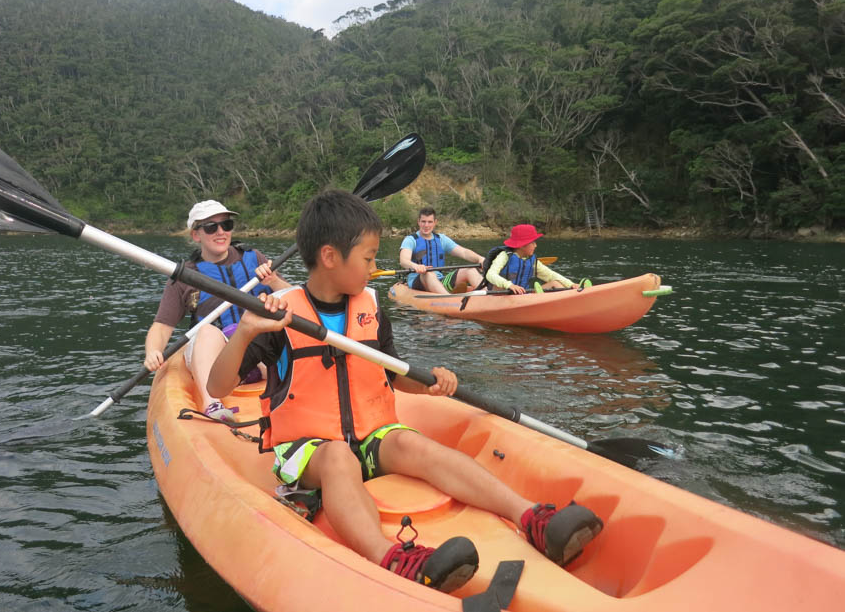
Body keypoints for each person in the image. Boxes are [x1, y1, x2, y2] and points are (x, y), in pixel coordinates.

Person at [207, 190, 603, 593]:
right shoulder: (279, 314)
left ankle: (530, 518)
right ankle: (390, 557)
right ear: (330, 257)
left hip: (369, 435)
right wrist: (246, 332)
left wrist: (430, 383)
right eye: (367, 257)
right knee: (339, 456)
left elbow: (392, 374)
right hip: (310, 451)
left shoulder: (370, 307)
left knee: (415, 446)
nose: (374, 267)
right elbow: (218, 387)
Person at [144, 199, 289, 420]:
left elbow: (295, 299)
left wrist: (274, 282)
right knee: (207, 331)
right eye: (211, 227)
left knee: (274, 334)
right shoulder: (184, 277)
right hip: (216, 359)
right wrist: (153, 351)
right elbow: (162, 326)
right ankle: (212, 405)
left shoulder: (254, 258)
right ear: (196, 235)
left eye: (226, 225)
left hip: (258, 352)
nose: (221, 232)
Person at [481, 224, 589, 294]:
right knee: (498, 286)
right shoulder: (504, 256)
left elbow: (550, 275)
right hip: (501, 295)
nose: (535, 245)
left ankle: (575, 295)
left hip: (522, 295)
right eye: (532, 242)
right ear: (522, 245)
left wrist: (571, 284)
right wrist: (509, 285)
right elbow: (490, 275)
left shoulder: (531, 260)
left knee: (555, 283)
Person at [398, 207, 484, 293]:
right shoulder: (410, 240)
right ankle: (449, 300)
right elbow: (404, 261)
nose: (426, 225)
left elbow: (464, 252)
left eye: (430, 222)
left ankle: (488, 293)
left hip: (440, 280)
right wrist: (416, 266)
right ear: (418, 222)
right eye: (423, 221)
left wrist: (480, 259)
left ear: (435, 222)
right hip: (418, 281)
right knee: (428, 273)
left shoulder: (441, 239)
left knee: (470, 270)